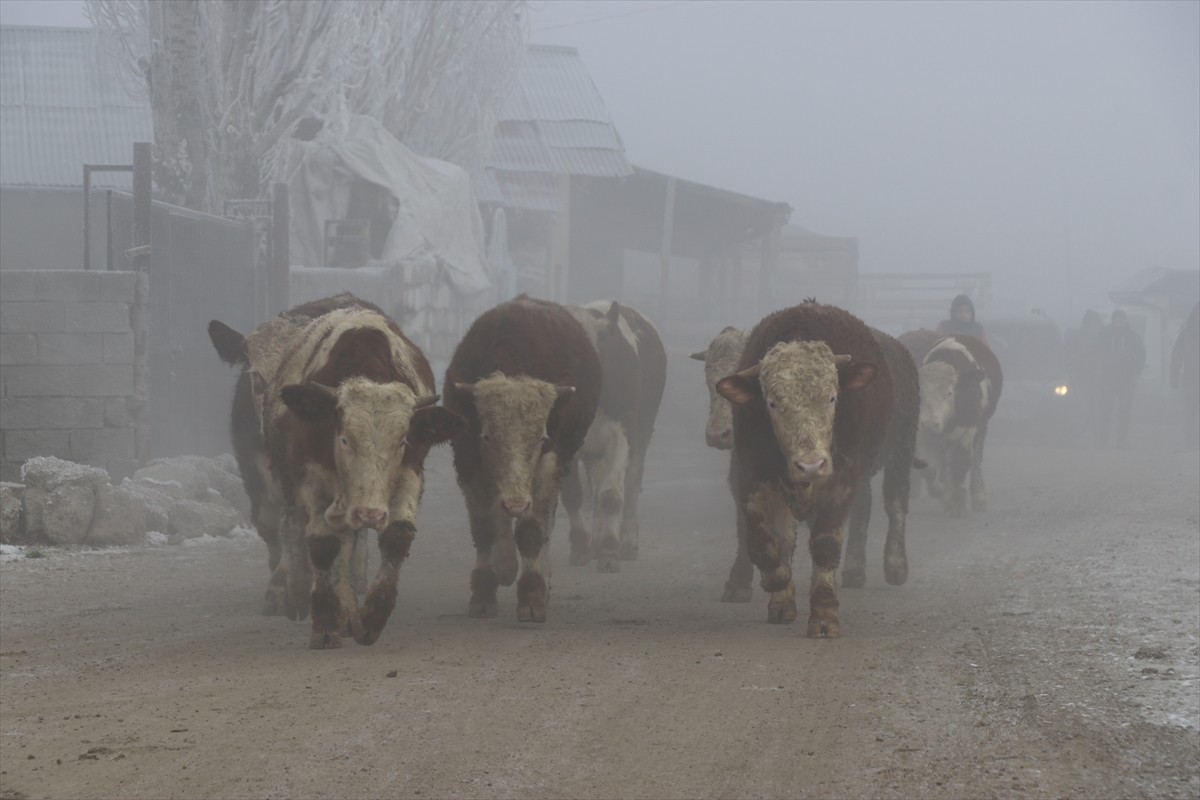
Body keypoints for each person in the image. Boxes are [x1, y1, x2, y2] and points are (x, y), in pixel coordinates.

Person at [1094, 309, 1145, 448]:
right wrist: (1099, 371)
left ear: (1125, 320)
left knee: (1124, 411)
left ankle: (1121, 439)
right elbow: (1097, 353)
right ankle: (1103, 439)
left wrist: (1136, 373)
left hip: (1127, 380)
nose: (1119, 322)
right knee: (1106, 410)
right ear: (1113, 320)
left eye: (1121, 319)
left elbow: (1141, 355)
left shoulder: (1132, 337)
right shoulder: (1104, 335)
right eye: (1117, 319)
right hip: (1107, 379)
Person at [1064, 309, 1105, 441]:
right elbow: (1068, 355)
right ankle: (1078, 433)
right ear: (1086, 323)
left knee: (1095, 407)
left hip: (1097, 378)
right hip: (1080, 378)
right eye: (1092, 323)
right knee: (1080, 406)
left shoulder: (1103, 337)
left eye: (1096, 323)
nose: (1094, 326)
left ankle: (1094, 433)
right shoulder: (1077, 337)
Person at [1169, 301, 1199, 450]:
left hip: (1191, 376)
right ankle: (1190, 440)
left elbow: (1176, 356)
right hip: (1192, 377)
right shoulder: (1186, 334)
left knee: (1192, 410)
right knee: (1192, 410)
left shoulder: (1186, 334)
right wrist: (1173, 379)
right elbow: (1176, 356)